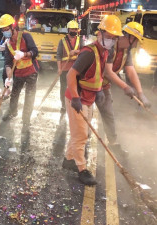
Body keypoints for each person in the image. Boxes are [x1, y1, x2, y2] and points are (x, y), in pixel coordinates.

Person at [62, 15, 123, 185]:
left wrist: (99, 91)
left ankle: (68, 159)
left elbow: (97, 75)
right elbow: (71, 74)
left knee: (80, 132)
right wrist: (75, 97)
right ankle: (81, 169)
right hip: (77, 98)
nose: (111, 40)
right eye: (109, 36)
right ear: (100, 33)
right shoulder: (89, 53)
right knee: (81, 134)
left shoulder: (104, 53)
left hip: (88, 98)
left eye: (114, 38)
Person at [98, 22, 151, 152]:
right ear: (129, 37)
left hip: (103, 85)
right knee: (85, 119)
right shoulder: (110, 46)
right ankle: (76, 153)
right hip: (90, 84)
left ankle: (113, 143)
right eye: (136, 40)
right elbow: (107, 72)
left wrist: (140, 93)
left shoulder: (126, 51)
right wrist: (125, 87)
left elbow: (131, 70)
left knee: (109, 113)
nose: (136, 44)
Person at [0, 14, 39, 130]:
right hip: (18, 73)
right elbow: (8, 63)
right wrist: (8, 78)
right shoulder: (7, 43)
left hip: (31, 71)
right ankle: (12, 112)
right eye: (3, 30)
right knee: (14, 94)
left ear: (13, 27)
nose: (5, 32)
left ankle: (26, 119)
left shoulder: (26, 36)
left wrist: (24, 54)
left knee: (29, 96)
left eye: (6, 29)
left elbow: (35, 51)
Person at [56, 20, 83, 113]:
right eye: (72, 29)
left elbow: (84, 51)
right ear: (68, 30)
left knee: (76, 88)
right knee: (63, 87)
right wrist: (59, 68)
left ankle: (75, 103)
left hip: (76, 68)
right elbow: (59, 56)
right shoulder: (62, 41)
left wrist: (76, 52)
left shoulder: (80, 40)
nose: (74, 31)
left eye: (75, 29)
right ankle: (63, 105)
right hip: (65, 68)